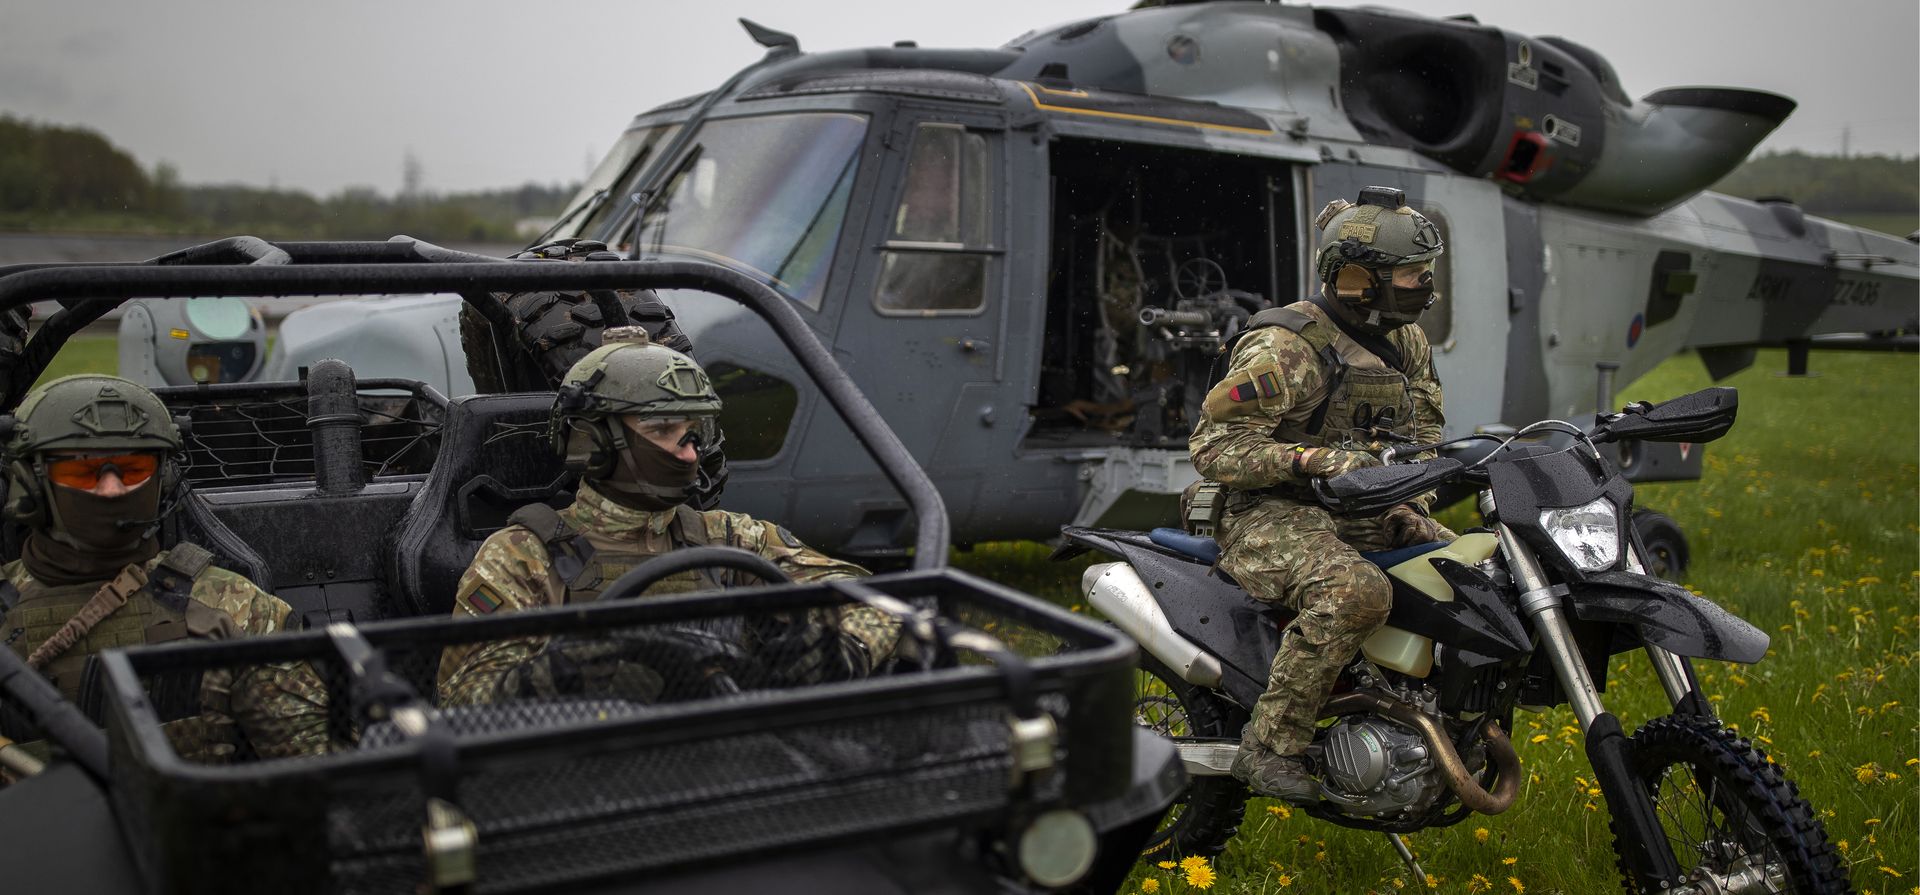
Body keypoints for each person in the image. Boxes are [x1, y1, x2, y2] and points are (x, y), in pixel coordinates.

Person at [436, 327, 897, 706]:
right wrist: (557, 673)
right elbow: (462, 700)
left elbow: (878, 604)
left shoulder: (734, 538)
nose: (689, 450)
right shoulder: (523, 554)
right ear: (593, 442)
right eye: (662, 429)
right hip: (587, 782)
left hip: (731, 765)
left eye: (695, 431)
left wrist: (841, 650)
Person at [1188, 186, 1456, 803]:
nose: (1424, 286)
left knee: (1477, 569)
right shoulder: (1286, 348)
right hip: (1267, 511)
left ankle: (1429, 724)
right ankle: (1270, 746)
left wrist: (1410, 500)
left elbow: (1424, 427)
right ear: (1360, 280)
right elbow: (1212, 449)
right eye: (1412, 275)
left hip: (1364, 505)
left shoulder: (1405, 338)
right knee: (1356, 591)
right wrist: (1309, 460)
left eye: (1426, 273)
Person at [0, 375, 326, 761]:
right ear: (30, 484)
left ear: (164, 480)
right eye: (81, 472)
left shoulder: (233, 607)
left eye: (133, 469)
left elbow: (324, 773)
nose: (112, 490)